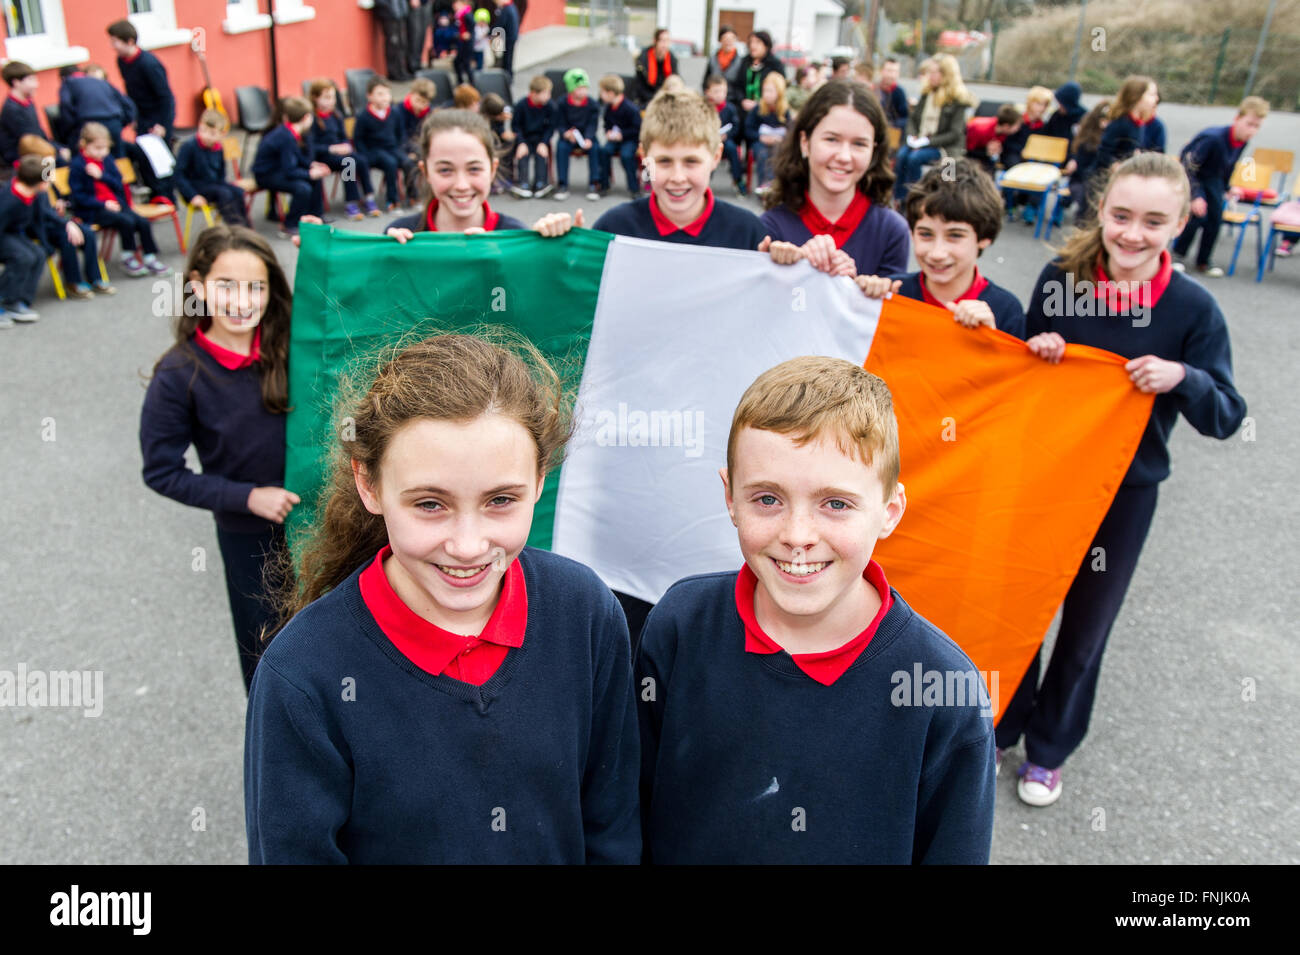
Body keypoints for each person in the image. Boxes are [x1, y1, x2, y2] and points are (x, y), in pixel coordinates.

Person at [245, 332, 641, 863]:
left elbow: (611, 821)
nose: (469, 545)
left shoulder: (586, 613)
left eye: (501, 500)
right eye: (430, 504)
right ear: (370, 485)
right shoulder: (302, 676)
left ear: (540, 478)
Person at [636, 355, 996, 863]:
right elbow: (629, 801)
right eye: (767, 499)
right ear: (730, 497)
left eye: (836, 504)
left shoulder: (941, 689)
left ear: (889, 511)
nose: (798, 536)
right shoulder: (680, 623)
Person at [1008, 152, 1247, 807]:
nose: (1133, 233)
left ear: (1179, 225)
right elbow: (1020, 378)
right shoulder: (1060, 279)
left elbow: (1228, 414)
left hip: (1125, 493)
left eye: (1153, 221)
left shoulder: (1193, 308)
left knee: (1086, 628)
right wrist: (1042, 353)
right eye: (1121, 216)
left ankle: (1049, 750)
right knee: (1022, 606)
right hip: (1047, 476)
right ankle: (1002, 721)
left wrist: (1185, 378)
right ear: (1101, 210)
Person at [140, 224, 296, 692]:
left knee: (334, 634)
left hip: (321, 521)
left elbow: (362, 314)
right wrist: (247, 498)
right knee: (269, 645)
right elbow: (162, 472)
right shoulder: (177, 374)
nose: (242, 300)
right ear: (198, 286)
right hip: (249, 536)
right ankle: (276, 747)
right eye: (226, 285)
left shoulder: (295, 347)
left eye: (256, 287)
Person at [855, 160, 1024, 338]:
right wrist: (861, 299)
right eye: (926, 234)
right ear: (912, 233)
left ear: (984, 238)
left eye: (955, 235)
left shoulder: (1006, 311)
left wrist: (993, 342)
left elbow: (1011, 366)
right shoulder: (893, 293)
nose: (937, 253)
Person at [760, 80, 909, 280]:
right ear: (805, 142)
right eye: (831, 140)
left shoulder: (892, 231)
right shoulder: (771, 228)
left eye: (859, 144)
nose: (844, 156)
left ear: (874, 151)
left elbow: (891, 308)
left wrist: (855, 286)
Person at [386, 108, 584, 239]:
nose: (461, 185)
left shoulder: (515, 235)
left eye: (474, 169)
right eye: (445, 170)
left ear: (493, 169)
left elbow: (539, 297)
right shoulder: (402, 236)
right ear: (426, 172)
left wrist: (563, 250)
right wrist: (386, 264)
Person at [1172, 96, 1270, 279]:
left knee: (1215, 219)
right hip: (1194, 178)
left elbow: (1228, 167)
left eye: (1257, 127)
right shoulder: (1213, 138)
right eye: (1249, 124)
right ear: (1237, 119)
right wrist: (1195, 195)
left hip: (1214, 180)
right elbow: (1188, 165)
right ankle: (1177, 255)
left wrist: (1227, 187)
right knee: (1197, 215)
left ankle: (1203, 261)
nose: (1252, 130)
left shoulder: (1241, 142)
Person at [10, 141, 114, 300]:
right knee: (68, 237)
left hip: (54, 219)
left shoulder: (44, 174)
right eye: (48, 161)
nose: (52, 166)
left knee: (88, 232)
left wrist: (61, 203)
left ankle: (95, 277)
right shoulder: (28, 178)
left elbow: (56, 196)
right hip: (40, 226)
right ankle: (73, 281)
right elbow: (40, 211)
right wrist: (66, 223)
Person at [69, 122, 169, 276]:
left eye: (105, 148)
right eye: (97, 148)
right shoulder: (77, 166)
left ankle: (150, 257)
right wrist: (103, 204)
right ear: (84, 145)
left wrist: (101, 176)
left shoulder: (107, 161)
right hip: (93, 210)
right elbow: (78, 196)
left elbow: (118, 183)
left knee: (142, 222)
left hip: (117, 204)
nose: (102, 152)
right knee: (126, 221)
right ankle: (128, 256)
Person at [107, 18, 177, 204]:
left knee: (161, 160)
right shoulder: (122, 61)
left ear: (129, 41)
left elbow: (166, 97)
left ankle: (168, 198)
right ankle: (155, 195)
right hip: (142, 116)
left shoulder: (148, 64)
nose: (112, 45)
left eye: (115, 41)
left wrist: (163, 124)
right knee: (144, 157)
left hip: (158, 117)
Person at [892, 55, 974, 203]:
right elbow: (913, 120)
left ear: (946, 74)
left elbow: (955, 134)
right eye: (930, 72)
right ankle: (900, 198)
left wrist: (926, 141)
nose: (931, 76)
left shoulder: (958, 100)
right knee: (902, 154)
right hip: (921, 142)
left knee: (915, 158)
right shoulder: (926, 94)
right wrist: (912, 135)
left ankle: (918, 198)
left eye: (935, 72)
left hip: (945, 148)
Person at [251, 97, 329, 239]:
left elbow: (296, 157)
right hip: (266, 175)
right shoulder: (285, 136)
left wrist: (311, 166)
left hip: (279, 169)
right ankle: (289, 225)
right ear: (306, 118)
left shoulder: (290, 131)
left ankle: (315, 217)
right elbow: (290, 170)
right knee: (302, 187)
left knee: (315, 179)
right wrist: (309, 174)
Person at [306, 79, 378, 220]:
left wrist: (346, 145)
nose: (331, 101)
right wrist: (332, 149)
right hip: (323, 157)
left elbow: (343, 137)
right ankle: (351, 202)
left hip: (340, 154)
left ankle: (369, 197)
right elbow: (311, 146)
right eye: (326, 97)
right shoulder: (312, 119)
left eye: (333, 97)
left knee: (361, 160)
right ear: (315, 98)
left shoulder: (336, 116)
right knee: (349, 163)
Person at [173, 109, 252, 228]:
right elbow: (179, 175)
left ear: (222, 134)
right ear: (199, 126)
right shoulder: (188, 147)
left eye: (212, 133)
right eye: (203, 130)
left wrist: (227, 185)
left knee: (238, 192)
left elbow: (221, 174)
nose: (206, 136)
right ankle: (237, 230)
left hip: (214, 184)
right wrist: (192, 195)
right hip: (196, 187)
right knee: (224, 193)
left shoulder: (218, 148)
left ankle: (246, 228)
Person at [1089, 75, 1165, 194]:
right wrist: (1117, 167)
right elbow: (1103, 153)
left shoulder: (1139, 124)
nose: (1156, 99)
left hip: (1123, 182)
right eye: (1151, 94)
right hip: (1104, 185)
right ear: (1137, 96)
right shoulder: (1121, 123)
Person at [353, 77, 416, 212]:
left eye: (387, 94)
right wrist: (365, 154)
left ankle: (412, 196)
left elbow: (401, 134)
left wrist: (402, 149)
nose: (385, 98)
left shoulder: (395, 112)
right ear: (369, 96)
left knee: (408, 163)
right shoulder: (363, 116)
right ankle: (392, 200)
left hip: (392, 148)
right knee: (390, 163)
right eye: (380, 94)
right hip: (374, 151)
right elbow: (358, 139)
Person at [0, 155, 49, 324]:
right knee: (22, 257)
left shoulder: (33, 194)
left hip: (12, 233)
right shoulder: (10, 200)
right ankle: (5, 299)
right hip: (2, 234)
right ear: (39, 183)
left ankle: (20, 300)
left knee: (39, 254)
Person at [57, 64, 135, 158]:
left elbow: (65, 105)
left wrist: (71, 129)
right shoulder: (99, 81)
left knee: (88, 158)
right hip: (113, 122)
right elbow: (128, 104)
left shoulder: (68, 83)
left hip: (89, 125)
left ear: (62, 78)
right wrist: (119, 123)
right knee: (119, 158)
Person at [1, 61, 65, 171]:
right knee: (56, 163)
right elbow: (32, 142)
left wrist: (58, 148)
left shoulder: (28, 102)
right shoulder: (12, 109)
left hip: (38, 149)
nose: (36, 84)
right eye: (31, 80)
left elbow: (39, 133)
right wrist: (56, 151)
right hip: (24, 159)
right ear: (16, 82)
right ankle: (46, 187)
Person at [552, 68, 600, 202]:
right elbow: (559, 123)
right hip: (569, 137)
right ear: (572, 90)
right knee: (561, 148)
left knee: (595, 148)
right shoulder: (562, 103)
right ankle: (562, 184)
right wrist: (565, 133)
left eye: (585, 88)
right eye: (579, 88)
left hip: (586, 136)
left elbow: (593, 124)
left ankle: (594, 183)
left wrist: (588, 138)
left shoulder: (592, 104)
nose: (583, 91)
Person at [1063, 99, 1109, 226]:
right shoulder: (1087, 138)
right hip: (1082, 179)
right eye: (1104, 119)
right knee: (1088, 198)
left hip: (1102, 181)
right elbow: (1081, 168)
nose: (1106, 123)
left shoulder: (1111, 139)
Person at [745, 71, 791, 194]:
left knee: (778, 153)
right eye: (765, 90)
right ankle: (764, 186)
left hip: (778, 142)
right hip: (760, 142)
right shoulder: (758, 109)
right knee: (762, 154)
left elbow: (791, 131)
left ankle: (775, 187)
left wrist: (781, 139)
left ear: (779, 92)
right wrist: (760, 137)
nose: (766, 94)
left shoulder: (784, 111)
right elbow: (748, 129)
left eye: (770, 91)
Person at [510, 75, 555, 198]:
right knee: (523, 154)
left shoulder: (550, 106)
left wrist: (544, 143)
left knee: (541, 154)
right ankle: (523, 183)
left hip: (540, 139)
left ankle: (540, 183)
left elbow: (550, 127)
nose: (549, 96)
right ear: (534, 94)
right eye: (546, 93)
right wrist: (521, 142)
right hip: (525, 139)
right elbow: (515, 126)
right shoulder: (521, 105)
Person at [704, 73, 743, 196]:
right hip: (708, 141)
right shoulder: (705, 107)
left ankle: (738, 180)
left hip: (725, 140)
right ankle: (704, 182)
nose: (720, 95)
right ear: (707, 92)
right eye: (716, 91)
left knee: (732, 149)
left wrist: (728, 135)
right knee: (707, 154)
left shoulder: (730, 108)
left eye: (722, 91)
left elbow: (736, 126)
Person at [965, 103, 1021, 178]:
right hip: (971, 154)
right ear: (1006, 126)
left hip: (984, 155)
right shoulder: (980, 129)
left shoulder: (1003, 133)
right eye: (1016, 126)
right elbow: (968, 150)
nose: (1017, 129)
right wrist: (987, 152)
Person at [703, 25, 745, 115]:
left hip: (732, 102)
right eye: (725, 38)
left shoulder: (741, 61)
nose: (728, 42)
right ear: (720, 40)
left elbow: (741, 85)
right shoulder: (713, 59)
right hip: (713, 102)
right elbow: (706, 81)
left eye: (731, 39)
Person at [740, 30, 783, 116]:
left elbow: (780, 88)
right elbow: (737, 85)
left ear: (766, 45)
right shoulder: (744, 62)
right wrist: (742, 100)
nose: (753, 46)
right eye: (751, 42)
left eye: (757, 42)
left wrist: (760, 103)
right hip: (743, 110)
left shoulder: (775, 64)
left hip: (766, 110)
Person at [634, 28, 677, 106]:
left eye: (667, 41)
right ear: (655, 41)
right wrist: (655, 99)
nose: (665, 45)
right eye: (662, 41)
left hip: (665, 98)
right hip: (647, 99)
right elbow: (639, 86)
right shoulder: (643, 59)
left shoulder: (671, 58)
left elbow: (675, 78)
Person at [374, 0, 413, 82]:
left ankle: (401, 71)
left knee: (401, 44)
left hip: (399, 15)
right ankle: (393, 73)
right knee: (393, 44)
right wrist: (390, 10)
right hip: (389, 16)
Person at [876, 56, 907, 131]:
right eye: (889, 71)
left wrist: (894, 125)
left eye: (895, 71)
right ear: (882, 71)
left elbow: (904, 117)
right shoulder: (874, 88)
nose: (891, 75)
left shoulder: (899, 92)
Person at [493, 0, 520, 85]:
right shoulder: (512, 7)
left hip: (508, 37)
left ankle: (507, 79)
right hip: (512, 36)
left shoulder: (506, 9)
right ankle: (508, 77)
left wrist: (492, 32)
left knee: (507, 59)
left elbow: (500, 23)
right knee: (509, 58)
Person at [472, 7, 492, 71]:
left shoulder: (486, 28)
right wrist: (483, 36)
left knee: (482, 61)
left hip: (483, 48)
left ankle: (480, 70)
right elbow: (476, 37)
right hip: (476, 48)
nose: (482, 23)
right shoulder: (476, 28)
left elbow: (489, 37)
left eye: (484, 21)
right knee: (475, 60)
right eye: (481, 21)